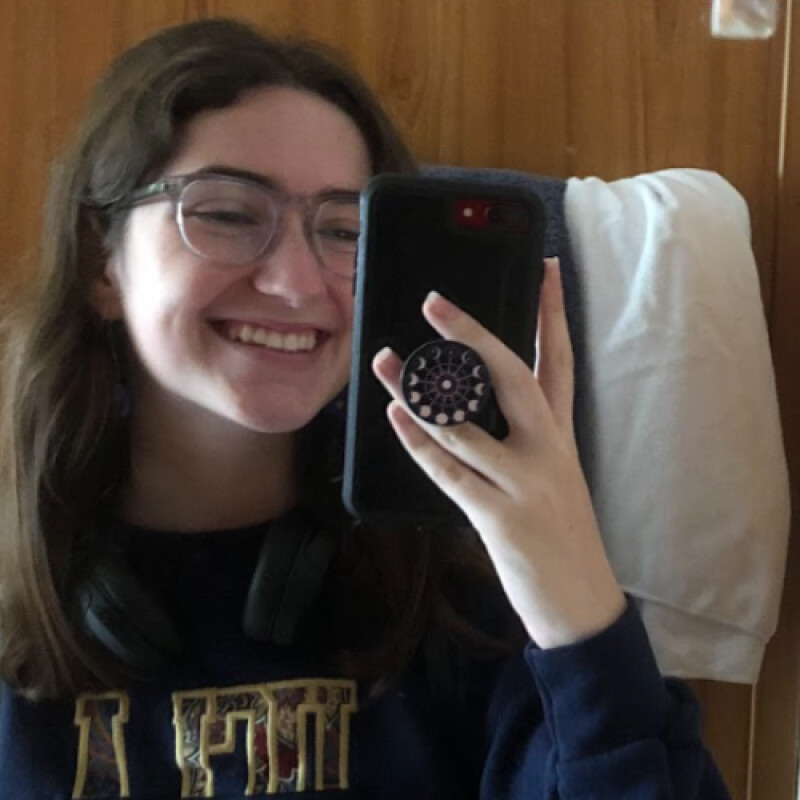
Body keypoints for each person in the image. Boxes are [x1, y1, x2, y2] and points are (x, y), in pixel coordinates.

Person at [0, 16, 732, 800]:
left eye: (346, 229)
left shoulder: (466, 614)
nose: (295, 283)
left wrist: (576, 599)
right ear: (101, 262)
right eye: (228, 214)